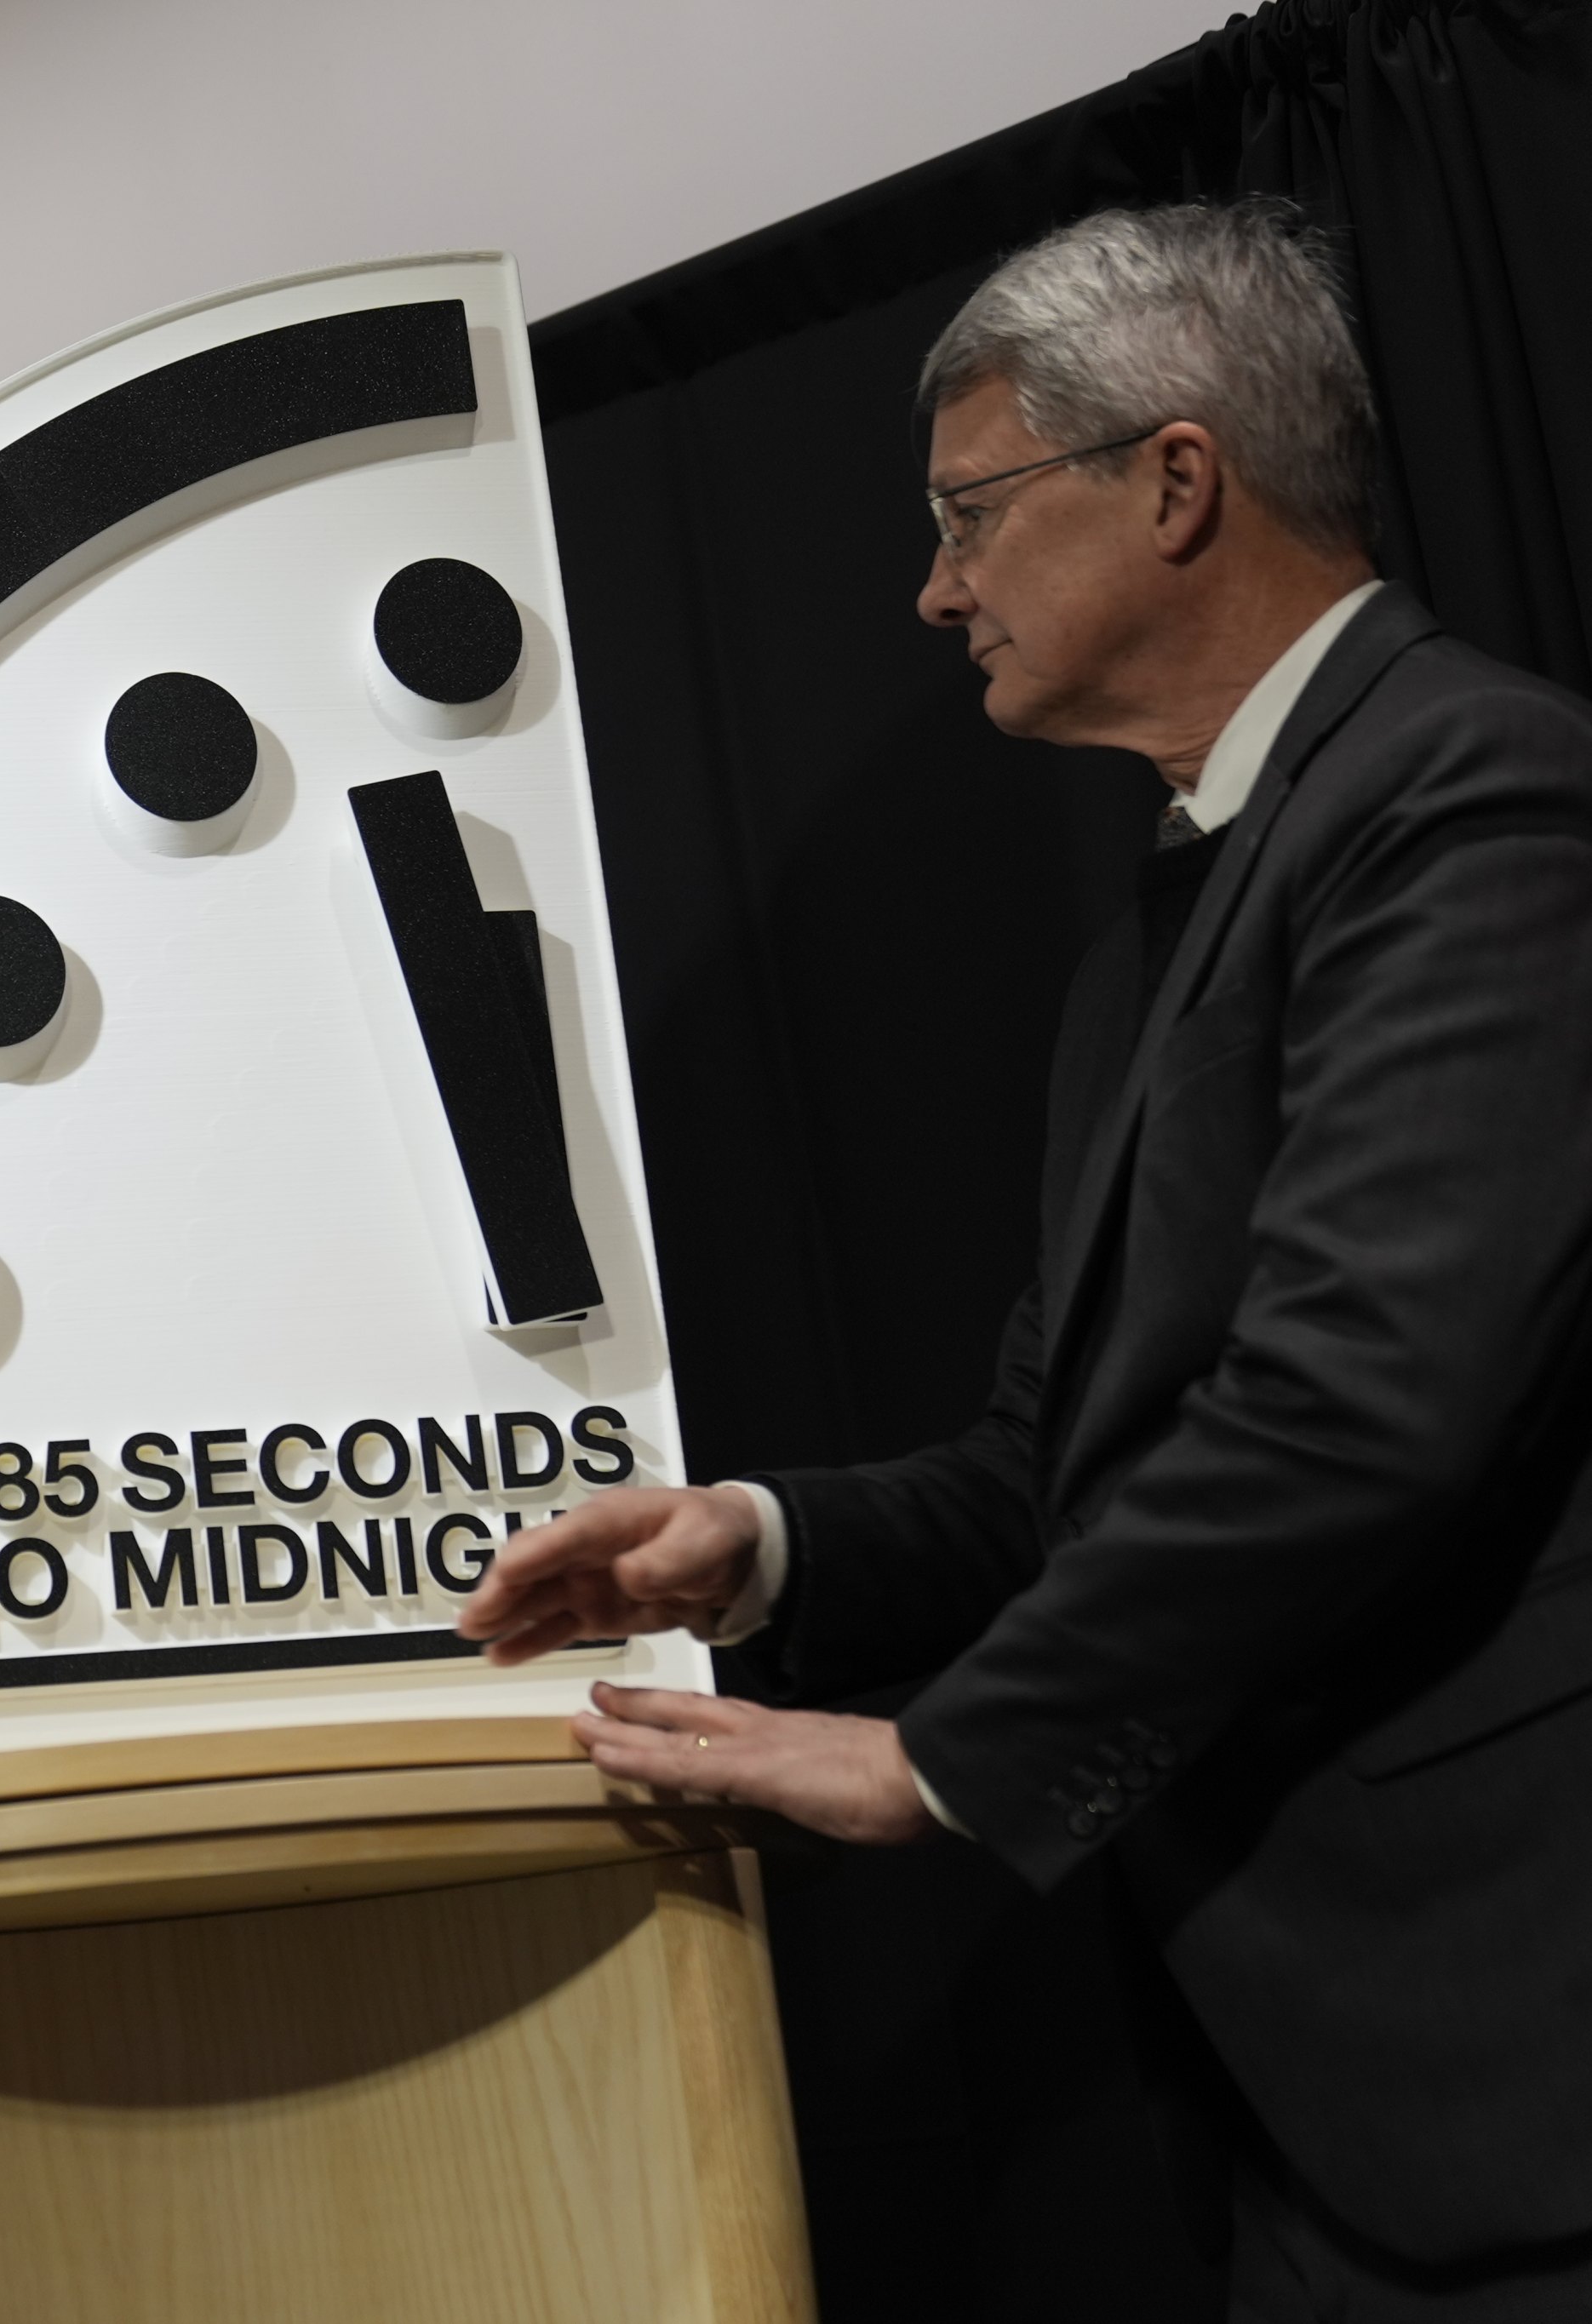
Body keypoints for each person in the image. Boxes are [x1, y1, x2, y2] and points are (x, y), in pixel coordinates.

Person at [461, 199, 1592, 2311]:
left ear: (1176, 480)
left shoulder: (1481, 803)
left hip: (1521, 2051)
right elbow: (1051, 1461)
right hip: (1307, 2096)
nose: (933, 583)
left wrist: (946, 1757)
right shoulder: (1156, 935)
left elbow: (1363, 1406)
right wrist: (761, 1544)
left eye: (971, 511)